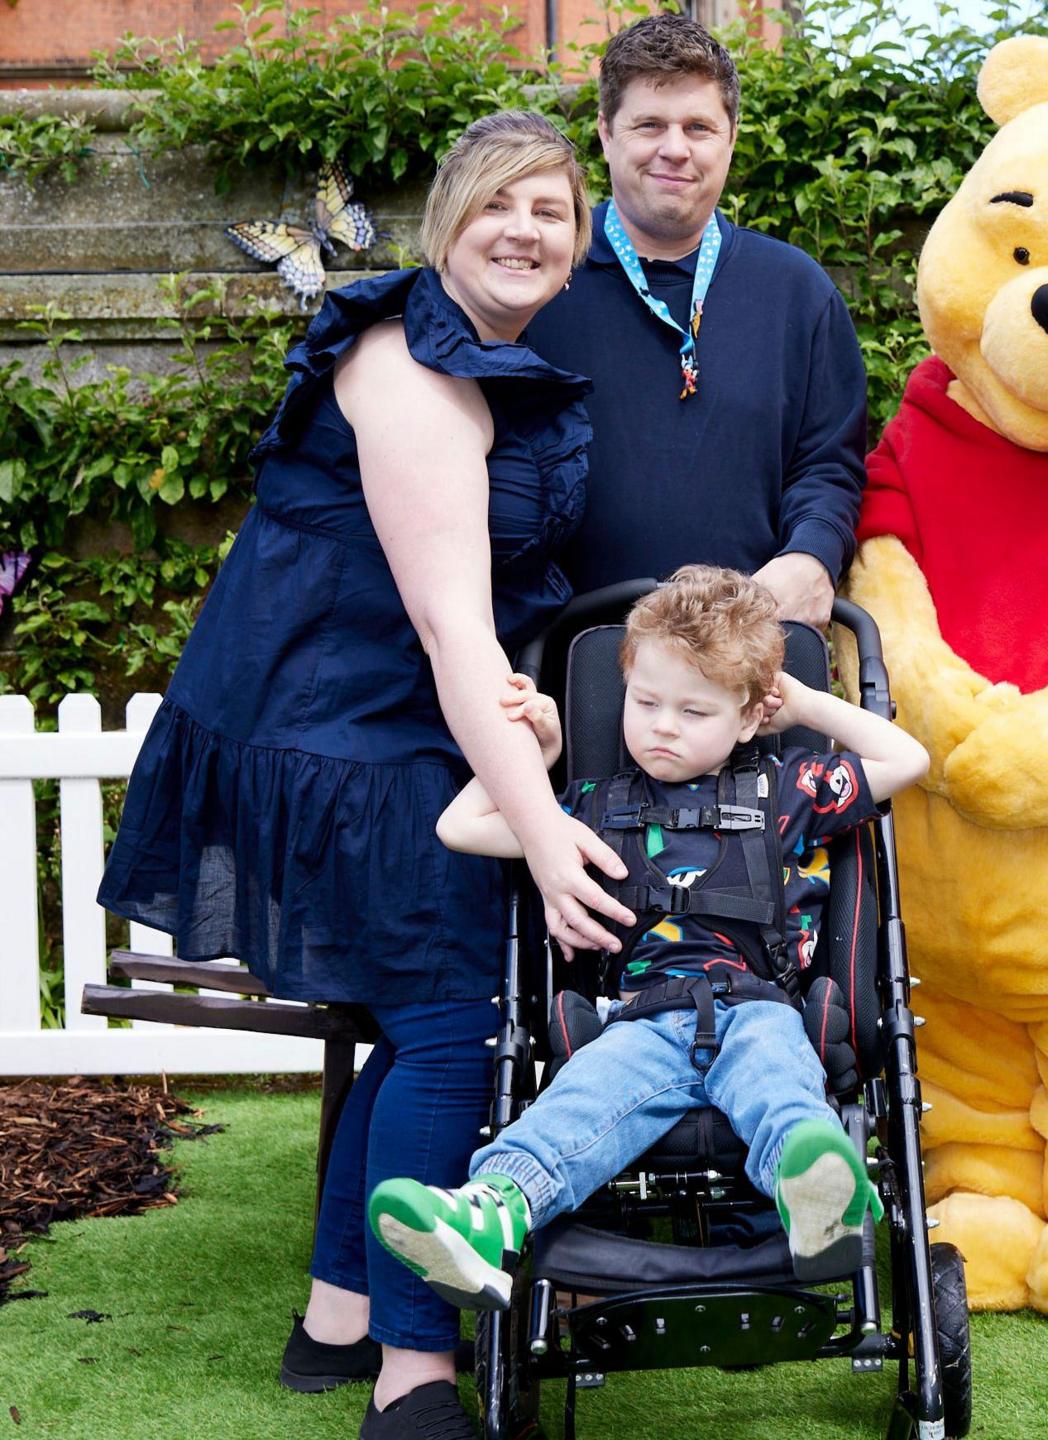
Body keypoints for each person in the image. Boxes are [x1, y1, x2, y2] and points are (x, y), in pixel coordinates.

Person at [96, 112, 626, 1438]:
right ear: (448, 221)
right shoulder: (409, 366)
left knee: (426, 1019)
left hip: (395, 719)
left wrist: (530, 720)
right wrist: (546, 830)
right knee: (453, 1022)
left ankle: (338, 1319)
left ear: (577, 245)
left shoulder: (484, 356)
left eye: (552, 213)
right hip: (335, 728)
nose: (524, 230)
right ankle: (413, 1372)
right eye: (498, 205)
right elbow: (450, 626)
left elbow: (475, 622)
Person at [367, 566, 927, 1313]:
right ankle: (488, 1213)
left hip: (759, 1007)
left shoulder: (791, 789)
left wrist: (804, 703)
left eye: (694, 711)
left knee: (781, 1091)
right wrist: (537, 753)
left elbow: (908, 762)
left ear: (749, 717)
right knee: (573, 1111)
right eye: (645, 701)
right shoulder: (593, 808)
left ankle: (815, 1190)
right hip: (640, 1021)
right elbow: (459, 827)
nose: (662, 725)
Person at [521, 11, 867, 626]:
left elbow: (828, 464)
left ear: (730, 138)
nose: (674, 149)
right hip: (566, 662)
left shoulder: (796, 291)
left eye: (698, 127)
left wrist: (814, 555)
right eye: (648, 124)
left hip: (749, 665)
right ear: (605, 134)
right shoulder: (540, 284)